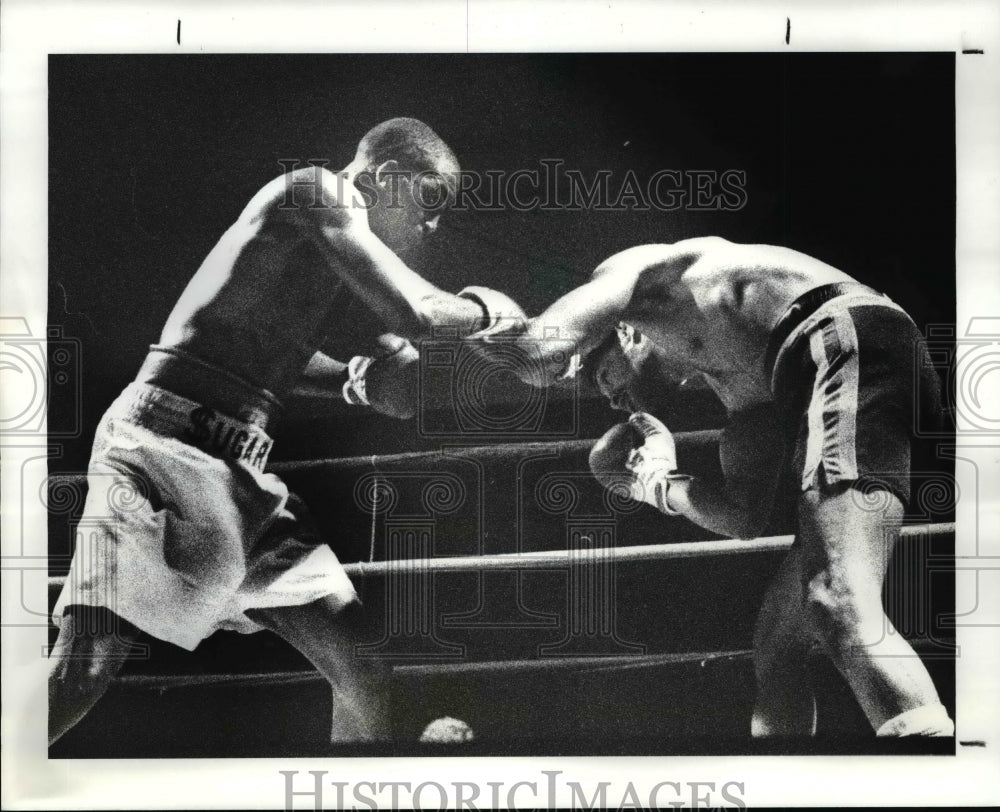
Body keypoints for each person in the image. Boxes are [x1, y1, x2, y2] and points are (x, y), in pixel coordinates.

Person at [49, 117, 525, 746]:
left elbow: (293, 360)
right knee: (83, 671)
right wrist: (495, 315)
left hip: (243, 473)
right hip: (162, 445)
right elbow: (415, 312)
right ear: (387, 177)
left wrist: (361, 380)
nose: (433, 226)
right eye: (430, 202)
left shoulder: (331, 263)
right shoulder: (312, 193)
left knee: (366, 673)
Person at [468, 237, 953, 738]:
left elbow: (537, 349)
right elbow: (742, 516)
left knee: (840, 600)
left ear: (627, 334)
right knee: (778, 643)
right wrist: (658, 483)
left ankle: (934, 774)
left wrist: (470, 316)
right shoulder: (739, 383)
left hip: (844, 337)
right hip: (863, 363)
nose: (611, 399)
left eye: (604, 374)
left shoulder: (648, 278)